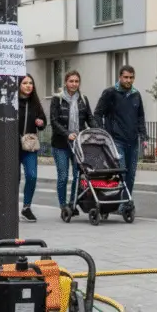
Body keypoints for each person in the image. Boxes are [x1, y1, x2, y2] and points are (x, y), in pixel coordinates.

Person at [94, 65, 148, 208]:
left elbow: (140, 116)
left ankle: (126, 202)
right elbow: (98, 113)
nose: (128, 80)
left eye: (131, 78)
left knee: (131, 175)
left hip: (133, 141)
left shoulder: (136, 94)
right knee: (121, 173)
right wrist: (104, 133)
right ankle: (119, 203)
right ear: (120, 77)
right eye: (125, 77)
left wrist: (144, 136)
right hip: (116, 140)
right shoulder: (110, 93)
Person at [50, 70, 96, 214]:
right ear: (65, 82)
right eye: (71, 81)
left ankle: (73, 202)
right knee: (63, 175)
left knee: (77, 175)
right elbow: (54, 121)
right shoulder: (57, 99)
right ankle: (63, 205)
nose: (74, 84)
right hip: (61, 144)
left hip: (78, 144)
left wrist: (97, 130)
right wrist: (67, 134)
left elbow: (89, 118)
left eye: (76, 81)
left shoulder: (83, 99)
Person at [18, 74, 46, 223]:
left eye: (30, 83)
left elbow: (43, 122)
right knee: (13, 178)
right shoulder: (12, 102)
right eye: (25, 83)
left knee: (32, 175)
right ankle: (9, 207)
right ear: (18, 85)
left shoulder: (35, 103)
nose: (28, 85)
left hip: (29, 145)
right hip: (13, 145)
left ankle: (26, 207)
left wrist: (40, 122)